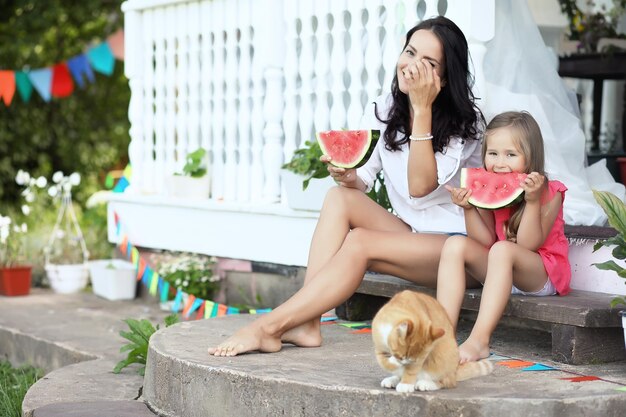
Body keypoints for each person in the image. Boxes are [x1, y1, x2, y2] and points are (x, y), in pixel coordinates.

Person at [209, 16, 484, 357]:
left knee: (360, 242)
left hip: (458, 250)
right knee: (339, 198)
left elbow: (419, 187)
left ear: (444, 77)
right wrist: (348, 176)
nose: (412, 67)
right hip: (413, 234)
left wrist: (422, 108)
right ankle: (307, 324)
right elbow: (363, 180)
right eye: (410, 53)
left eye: (428, 63)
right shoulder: (386, 108)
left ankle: (269, 327)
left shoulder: (465, 125)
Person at [437, 111, 571, 364]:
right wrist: (469, 208)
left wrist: (532, 202)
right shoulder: (492, 186)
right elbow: (484, 240)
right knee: (455, 244)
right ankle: (442, 336)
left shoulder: (552, 192)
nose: (499, 163)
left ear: (531, 157)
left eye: (510, 154)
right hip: (502, 269)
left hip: (541, 274)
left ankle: (479, 342)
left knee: (503, 250)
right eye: (493, 153)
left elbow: (528, 244)